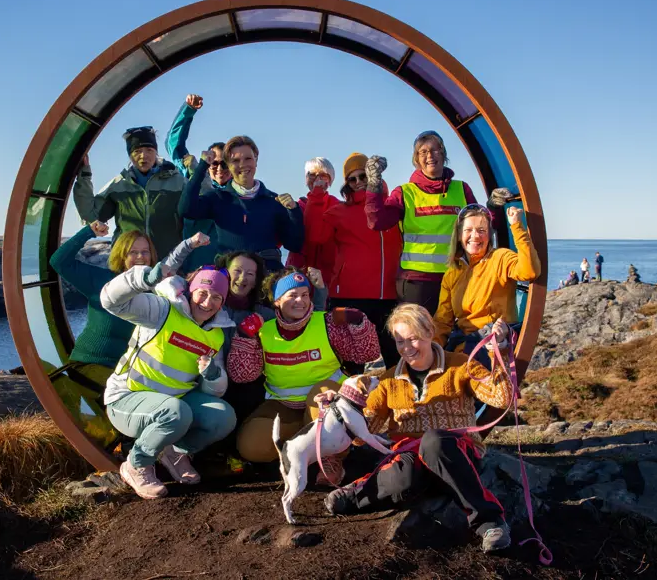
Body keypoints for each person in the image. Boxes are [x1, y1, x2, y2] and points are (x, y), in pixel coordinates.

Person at [323, 303, 514, 553]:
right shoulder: (387, 380)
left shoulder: (460, 365)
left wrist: (498, 350)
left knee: (434, 441)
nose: (407, 348)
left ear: (429, 332)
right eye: (400, 341)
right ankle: (355, 494)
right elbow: (361, 436)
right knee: (405, 473)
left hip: (456, 455)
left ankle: (490, 523)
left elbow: (501, 398)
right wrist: (341, 407)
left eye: (412, 339)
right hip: (412, 461)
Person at [100, 258, 236, 499]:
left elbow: (215, 391)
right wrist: (142, 278)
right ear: (190, 290)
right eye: (202, 293)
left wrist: (213, 375)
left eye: (216, 297)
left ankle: (172, 451)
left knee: (223, 417)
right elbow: (111, 301)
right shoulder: (162, 309)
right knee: (176, 412)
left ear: (223, 302)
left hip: (174, 404)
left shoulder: (216, 335)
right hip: (126, 399)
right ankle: (136, 464)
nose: (207, 302)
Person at [226, 268, 380, 477]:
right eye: (292, 295)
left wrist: (358, 322)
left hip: (327, 401)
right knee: (251, 447)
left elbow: (367, 354)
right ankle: (306, 448)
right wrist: (244, 338)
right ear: (277, 301)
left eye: (305, 295)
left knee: (321, 393)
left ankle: (331, 458)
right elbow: (242, 375)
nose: (300, 300)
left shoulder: (326, 323)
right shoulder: (265, 331)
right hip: (284, 405)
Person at [364, 131, 478, 316]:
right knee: (417, 337)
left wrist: (494, 206)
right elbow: (376, 221)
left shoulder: (462, 189)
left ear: (443, 153)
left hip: (455, 277)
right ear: (416, 159)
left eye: (435, 150)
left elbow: (482, 224)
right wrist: (374, 184)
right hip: (416, 283)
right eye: (423, 152)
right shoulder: (405, 193)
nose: (430, 156)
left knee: (454, 339)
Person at [308, 152, 404, 367]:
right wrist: (316, 197)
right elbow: (316, 236)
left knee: (394, 358)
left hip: (387, 296)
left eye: (364, 176)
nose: (359, 182)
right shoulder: (338, 212)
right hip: (349, 298)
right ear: (347, 184)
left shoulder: (391, 209)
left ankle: (398, 398)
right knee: (350, 363)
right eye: (353, 179)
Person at [73, 95, 197, 253]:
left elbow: (198, 209)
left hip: (167, 262)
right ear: (130, 155)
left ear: (156, 152)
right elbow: (91, 214)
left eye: (149, 150)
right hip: (128, 264)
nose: (144, 156)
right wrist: (84, 175)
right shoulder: (119, 185)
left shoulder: (177, 181)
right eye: (137, 151)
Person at [178, 136, 304, 273]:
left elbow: (294, 245)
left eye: (248, 158)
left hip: (267, 280)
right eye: (235, 161)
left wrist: (294, 211)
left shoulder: (274, 201)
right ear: (229, 165)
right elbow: (186, 209)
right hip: (231, 281)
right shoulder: (218, 198)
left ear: (256, 159)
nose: (243, 165)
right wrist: (202, 166)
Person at [433, 205, 540, 353]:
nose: (475, 236)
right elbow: (442, 321)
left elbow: (530, 271)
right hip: (464, 344)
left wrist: (517, 227)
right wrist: (432, 348)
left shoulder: (500, 257)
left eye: (481, 230)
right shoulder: (453, 273)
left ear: (490, 235)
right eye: (468, 230)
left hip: (494, 343)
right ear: (459, 235)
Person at [165, 94, 232, 272]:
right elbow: (174, 146)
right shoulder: (196, 179)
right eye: (214, 162)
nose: (219, 168)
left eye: (225, 163)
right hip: (192, 269)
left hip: (225, 272)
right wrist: (188, 111)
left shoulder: (240, 193)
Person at [286, 157, 339, 287]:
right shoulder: (296, 206)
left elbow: (316, 236)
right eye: (312, 175)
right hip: (297, 273)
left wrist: (317, 195)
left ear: (330, 180)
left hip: (326, 276)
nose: (317, 179)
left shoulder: (336, 206)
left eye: (322, 175)